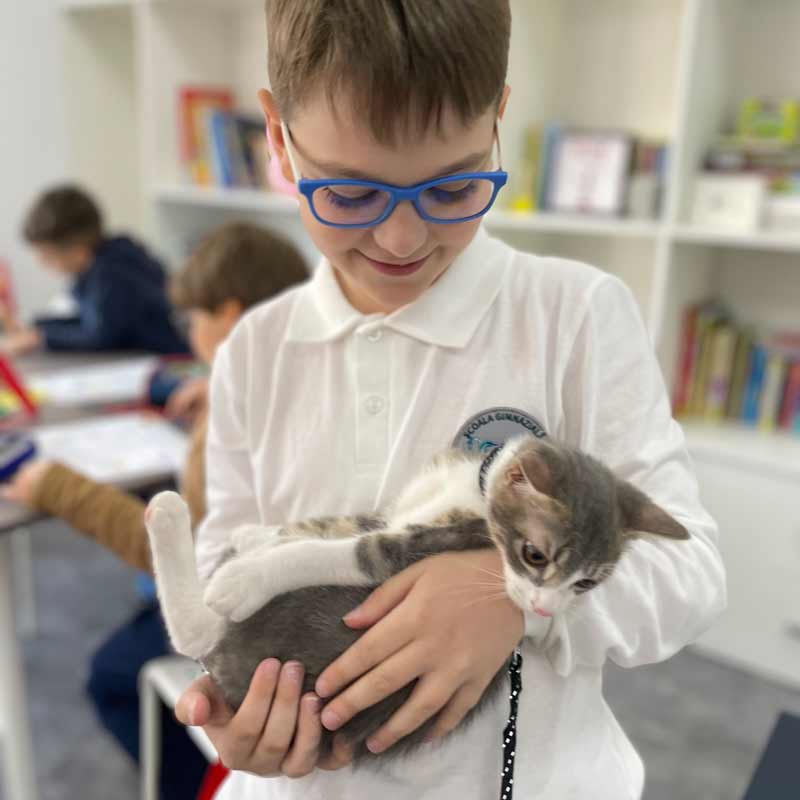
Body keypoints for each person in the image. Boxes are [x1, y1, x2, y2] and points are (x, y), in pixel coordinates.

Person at [175, 2, 727, 798]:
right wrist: (239, 716)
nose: (402, 240)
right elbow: (225, 572)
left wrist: (511, 603)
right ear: (278, 137)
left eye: (454, 187)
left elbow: (689, 572)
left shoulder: (575, 316)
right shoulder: (254, 350)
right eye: (351, 194)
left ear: (497, 118)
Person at [3, 222, 308, 800]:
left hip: (241, 619)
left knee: (110, 678)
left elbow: (184, 565)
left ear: (229, 317)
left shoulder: (239, 414)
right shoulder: (288, 381)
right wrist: (215, 386)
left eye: (194, 319)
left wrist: (59, 489)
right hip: (278, 602)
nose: (189, 332)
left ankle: (197, 784)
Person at [5, 184, 188, 355]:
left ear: (77, 251)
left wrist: (42, 338)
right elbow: (89, 321)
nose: (41, 262)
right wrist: (37, 328)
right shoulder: (100, 263)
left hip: (163, 359)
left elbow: (100, 336)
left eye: (47, 256)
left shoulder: (113, 272)